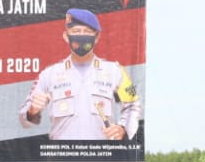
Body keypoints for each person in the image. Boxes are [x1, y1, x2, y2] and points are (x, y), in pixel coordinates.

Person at [17, 8, 141, 141]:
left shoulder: (116, 71)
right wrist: (32, 111)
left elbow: (134, 105)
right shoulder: (48, 75)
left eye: (87, 32)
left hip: (101, 157)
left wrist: (123, 129)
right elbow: (24, 119)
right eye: (76, 31)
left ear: (97, 37)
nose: (81, 36)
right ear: (66, 36)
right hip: (61, 157)